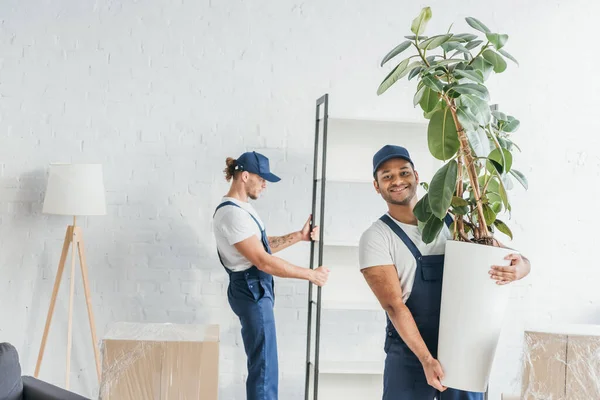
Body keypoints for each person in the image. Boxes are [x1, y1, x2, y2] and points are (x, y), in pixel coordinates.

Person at [359, 145, 531, 400]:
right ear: (377, 186)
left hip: (463, 348)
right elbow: (395, 306)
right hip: (410, 356)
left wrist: (521, 268)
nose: (397, 181)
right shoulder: (377, 237)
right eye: (387, 176)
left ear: (416, 177)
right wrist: (427, 360)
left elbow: (509, 256)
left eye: (404, 172)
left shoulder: (456, 222)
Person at [212, 150, 329, 400]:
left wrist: (299, 236)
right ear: (244, 176)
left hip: (255, 287)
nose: (265, 184)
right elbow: (263, 261)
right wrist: (310, 274)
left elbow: (261, 247)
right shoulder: (231, 213)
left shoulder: (242, 209)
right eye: (261, 178)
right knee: (264, 368)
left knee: (264, 365)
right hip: (250, 288)